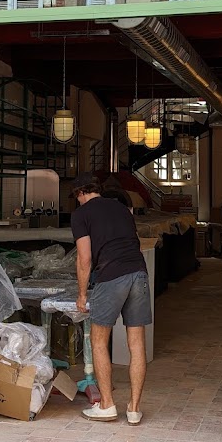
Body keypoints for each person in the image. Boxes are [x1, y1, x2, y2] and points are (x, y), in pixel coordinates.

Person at [69, 172, 152, 425]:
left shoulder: (81, 214)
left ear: (80, 193)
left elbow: (84, 258)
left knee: (98, 341)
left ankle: (106, 405)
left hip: (111, 275)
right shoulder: (121, 208)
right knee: (136, 344)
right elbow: (133, 243)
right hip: (138, 272)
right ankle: (134, 409)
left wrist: (82, 294)